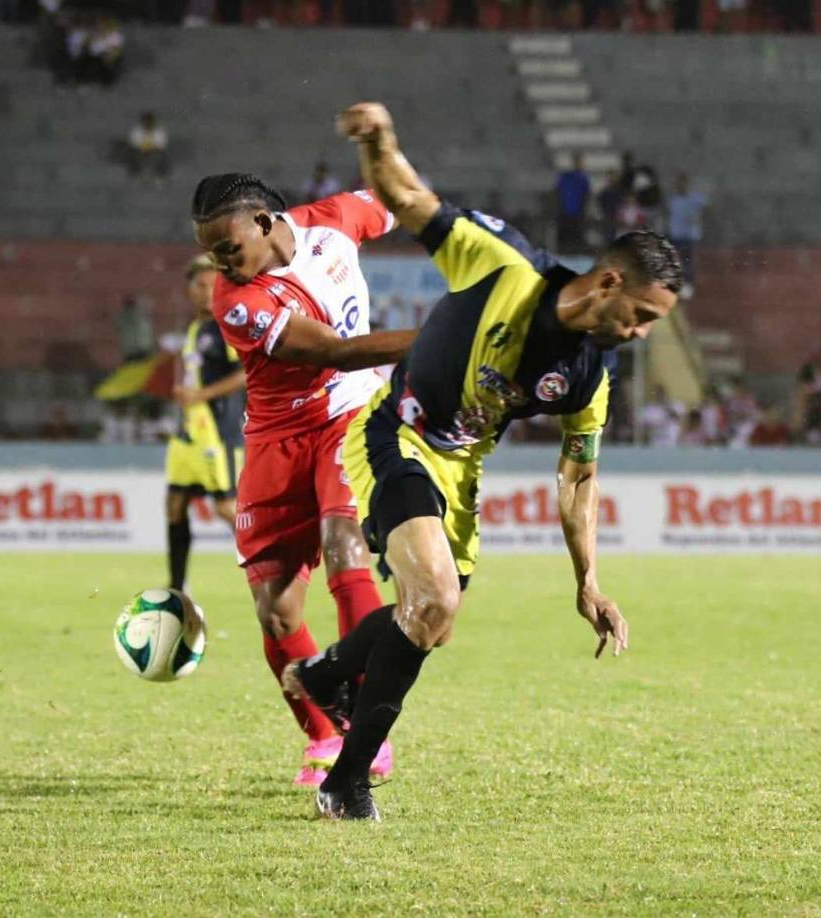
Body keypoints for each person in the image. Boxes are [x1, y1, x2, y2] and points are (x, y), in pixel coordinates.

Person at [282, 101, 681, 821]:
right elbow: (409, 198)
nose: (642, 334)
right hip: (396, 434)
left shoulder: (589, 377)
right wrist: (379, 138)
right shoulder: (504, 265)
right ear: (609, 284)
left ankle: (326, 672)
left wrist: (588, 581)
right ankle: (345, 781)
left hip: (459, 467)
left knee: (431, 621)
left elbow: (578, 476)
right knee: (432, 598)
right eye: (644, 317)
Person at [191, 172, 416, 787]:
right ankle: (324, 734)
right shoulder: (235, 299)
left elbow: (405, 200)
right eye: (211, 254)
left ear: (264, 222)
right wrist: (445, 339)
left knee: (346, 549)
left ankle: (369, 732)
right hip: (276, 438)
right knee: (277, 612)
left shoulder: (334, 220)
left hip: (350, 415)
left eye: (228, 248)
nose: (220, 264)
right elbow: (335, 351)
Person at [165, 254, 246, 593]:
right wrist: (185, 392)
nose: (205, 292)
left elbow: (245, 373)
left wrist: (201, 395)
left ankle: (275, 566)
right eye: (199, 285)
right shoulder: (196, 328)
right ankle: (177, 587)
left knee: (226, 507)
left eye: (211, 285)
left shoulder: (228, 327)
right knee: (175, 505)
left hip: (219, 431)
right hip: (189, 433)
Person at [667, 172, 706, 300]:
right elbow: (669, 214)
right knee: (675, 260)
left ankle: (689, 285)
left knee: (687, 259)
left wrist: (698, 218)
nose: (681, 186)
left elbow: (705, 208)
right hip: (676, 233)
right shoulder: (673, 199)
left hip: (689, 235)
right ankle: (677, 284)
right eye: (679, 184)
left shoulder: (694, 198)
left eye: (683, 183)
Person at [553, 152, 591, 254]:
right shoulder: (566, 177)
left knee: (575, 234)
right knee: (567, 234)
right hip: (566, 212)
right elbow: (558, 192)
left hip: (577, 212)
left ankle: (574, 251)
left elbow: (586, 195)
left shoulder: (582, 178)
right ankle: (565, 250)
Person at [127, 111, 169, 182]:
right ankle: (138, 173)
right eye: (145, 122)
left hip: (155, 152)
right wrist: (142, 148)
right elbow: (133, 142)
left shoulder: (159, 131)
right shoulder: (137, 131)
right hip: (140, 152)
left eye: (149, 122)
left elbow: (162, 143)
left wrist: (152, 147)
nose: (147, 124)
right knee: (134, 155)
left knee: (158, 157)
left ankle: (157, 174)